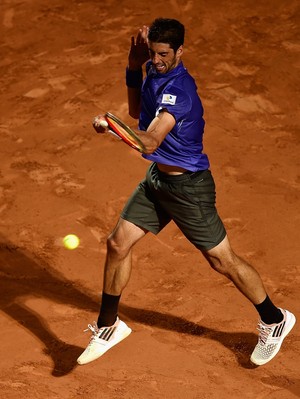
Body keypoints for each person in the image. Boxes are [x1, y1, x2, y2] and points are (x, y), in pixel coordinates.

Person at [77, 18, 295, 366]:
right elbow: (139, 113)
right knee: (118, 242)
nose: (157, 60)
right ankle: (108, 325)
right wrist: (134, 69)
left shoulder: (180, 90)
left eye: (164, 54)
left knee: (222, 261)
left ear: (181, 50)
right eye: (153, 53)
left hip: (189, 189)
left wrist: (112, 124)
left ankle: (274, 318)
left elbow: (148, 139)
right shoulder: (153, 71)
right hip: (158, 181)